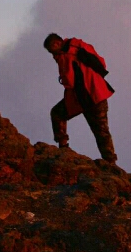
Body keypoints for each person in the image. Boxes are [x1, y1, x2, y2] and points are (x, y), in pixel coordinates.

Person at [44, 33, 118, 164]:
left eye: (51, 50)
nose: (51, 55)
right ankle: (109, 161)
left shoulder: (74, 48)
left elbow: (97, 65)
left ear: (56, 44)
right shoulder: (67, 52)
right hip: (84, 96)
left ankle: (110, 162)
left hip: (92, 95)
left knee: (100, 130)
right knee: (100, 130)